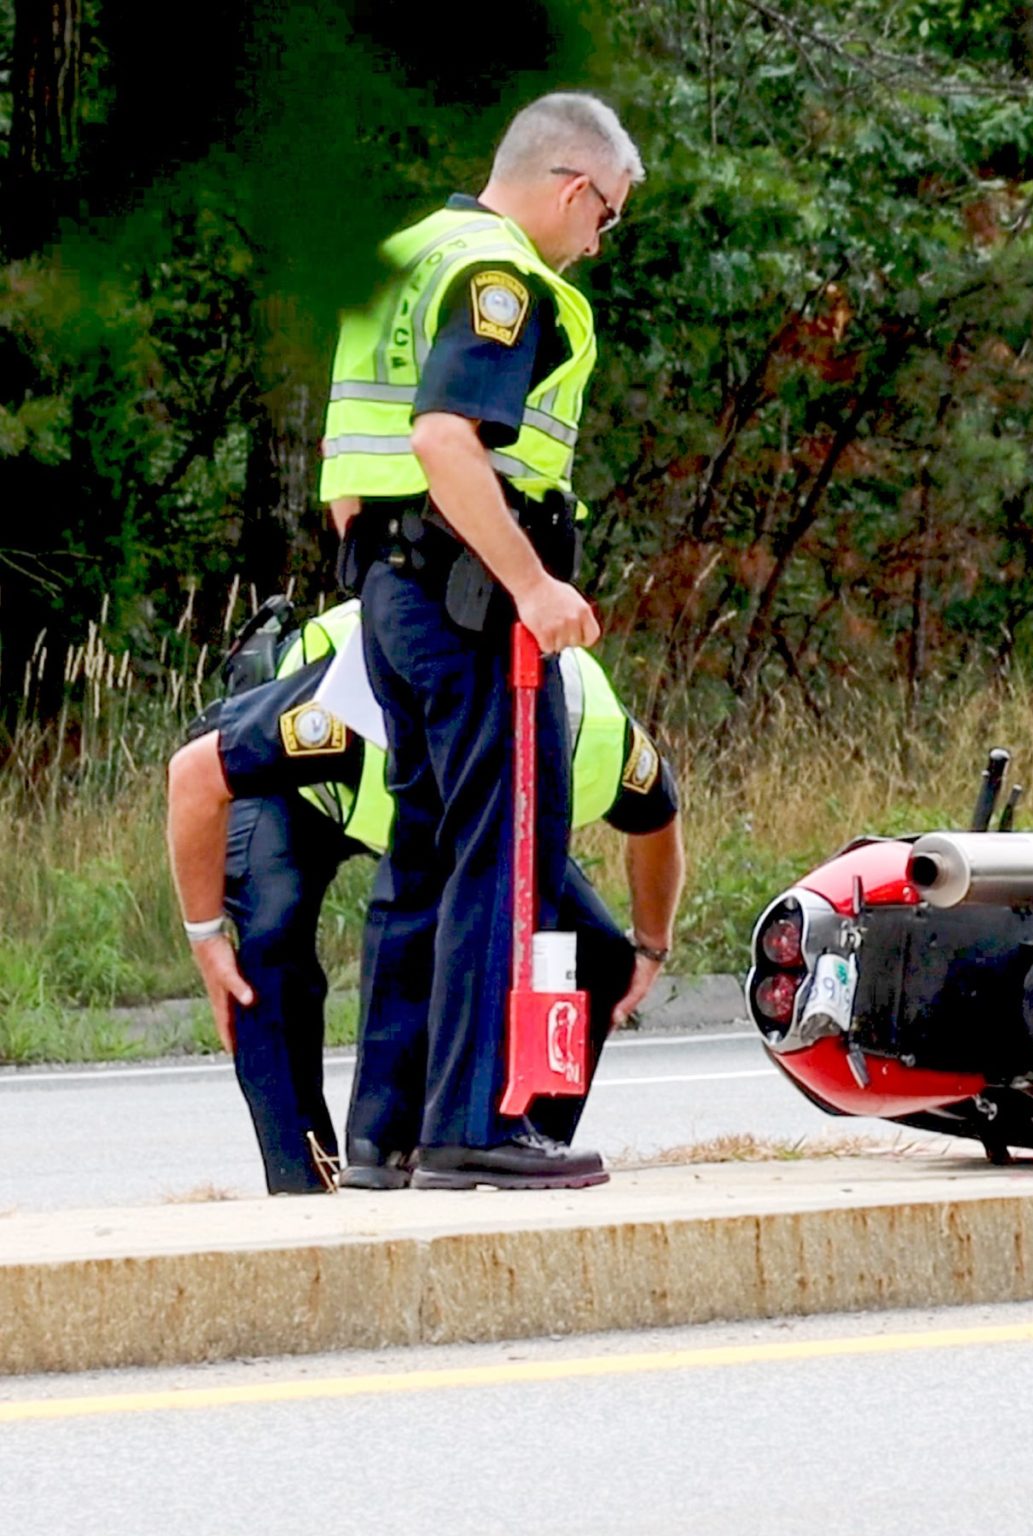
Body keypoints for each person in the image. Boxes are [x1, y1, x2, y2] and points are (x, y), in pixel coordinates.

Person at [320, 93, 640, 1188]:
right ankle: (477, 1123)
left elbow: (353, 479)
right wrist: (534, 584)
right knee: (506, 852)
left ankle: (386, 1133)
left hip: (393, 592)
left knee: (421, 856)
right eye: (607, 216)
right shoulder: (497, 277)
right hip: (472, 605)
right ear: (572, 186)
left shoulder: (403, 254)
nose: (599, 242)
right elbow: (444, 439)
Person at [166, 599, 685, 1194]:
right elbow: (195, 778)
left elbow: (658, 822)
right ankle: (304, 1182)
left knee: (598, 955)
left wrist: (648, 948)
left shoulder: (602, 738)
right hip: (307, 793)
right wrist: (204, 938)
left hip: (475, 805)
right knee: (268, 950)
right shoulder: (345, 712)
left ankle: (510, 1140)